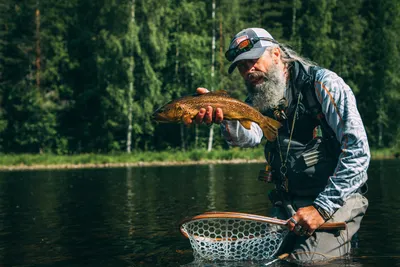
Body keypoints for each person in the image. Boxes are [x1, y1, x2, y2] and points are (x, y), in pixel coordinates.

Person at [186, 28, 370, 264]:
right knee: (249, 259)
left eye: (253, 60)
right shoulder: (260, 97)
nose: (248, 70)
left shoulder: (324, 84)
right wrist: (228, 116)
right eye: (242, 66)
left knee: (304, 262)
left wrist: (321, 209)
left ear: (276, 54)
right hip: (289, 204)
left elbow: (358, 153)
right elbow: (248, 138)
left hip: (338, 199)